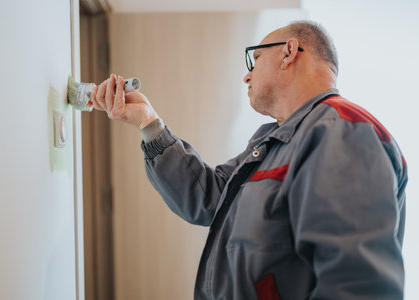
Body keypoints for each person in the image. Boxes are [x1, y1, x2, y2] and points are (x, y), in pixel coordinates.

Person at [90, 20, 407, 300]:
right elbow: (208, 197)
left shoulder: (343, 131)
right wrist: (148, 123)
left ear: (288, 51)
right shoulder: (273, 141)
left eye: (254, 58)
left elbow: (356, 284)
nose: (246, 75)